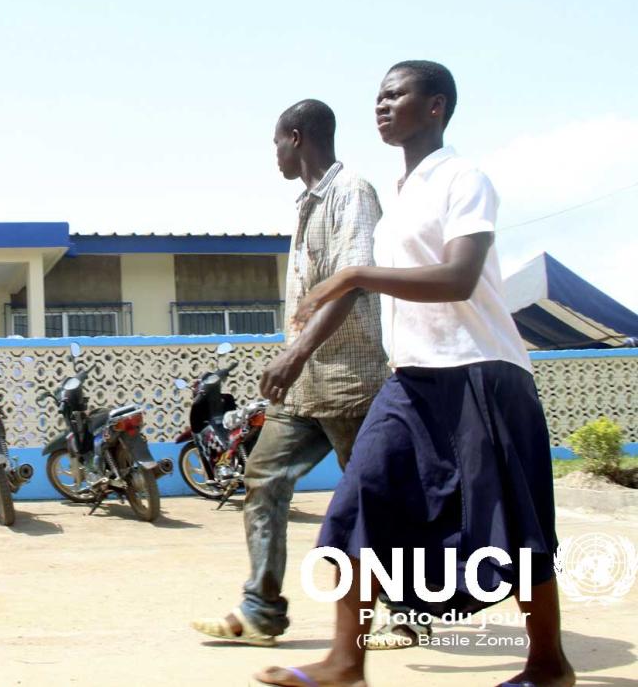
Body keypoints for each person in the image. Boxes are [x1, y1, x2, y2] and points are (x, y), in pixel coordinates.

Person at [255, 61, 574, 687]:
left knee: (515, 523)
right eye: (378, 96)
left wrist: (352, 275)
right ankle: (347, 662)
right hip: (411, 380)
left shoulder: (463, 178)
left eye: (396, 95)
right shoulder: (398, 196)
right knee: (357, 502)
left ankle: (548, 664)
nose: (381, 105)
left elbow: (458, 278)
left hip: (481, 372)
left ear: (436, 106)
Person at [192, 99, 407, 647]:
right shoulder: (307, 203)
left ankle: (406, 610)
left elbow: (353, 281)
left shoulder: (351, 191)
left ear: (295, 137)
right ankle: (260, 610)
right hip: (305, 388)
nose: (275, 155)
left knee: (375, 500)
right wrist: (297, 360)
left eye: (276, 143)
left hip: (352, 381)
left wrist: (294, 353)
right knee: (262, 478)